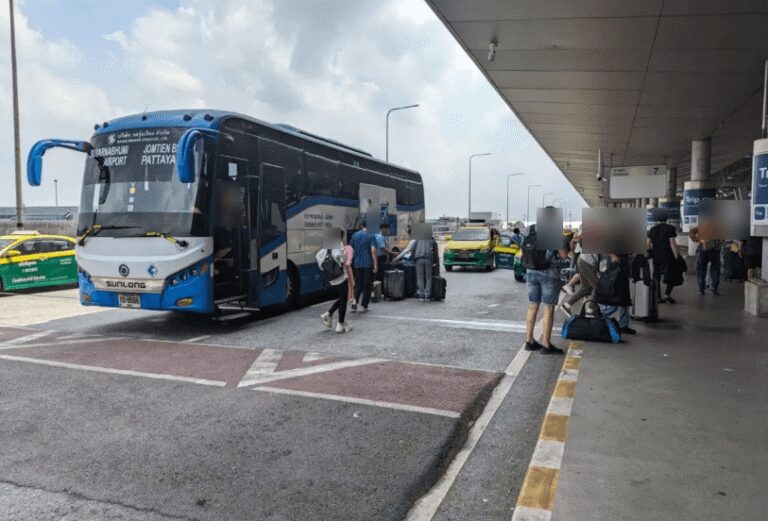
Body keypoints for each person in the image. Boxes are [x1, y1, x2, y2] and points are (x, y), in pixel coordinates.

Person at [524, 235, 570, 354]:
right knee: (548, 308)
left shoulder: (532, 230)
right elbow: (563, 255)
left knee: (532, 306)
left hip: (530, 271)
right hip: (548, 274)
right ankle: (546, 345)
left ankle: (529, 341)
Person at [318, 231, 355, 333]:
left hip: (332, 276)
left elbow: (319, 256)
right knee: (343, 300)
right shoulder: (338, 244)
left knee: (342, 298)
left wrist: (325, 268)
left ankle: (329, 314)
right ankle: (340, 324)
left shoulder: (327, 246)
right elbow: (342, 258)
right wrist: (343, 256)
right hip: (340, 276)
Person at [559, 231, 598, 316]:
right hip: (587, 262)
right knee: (598, 286)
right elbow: (578, 237)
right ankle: (590, 310)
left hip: (583, 260)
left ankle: (567, 305)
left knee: (585, 288)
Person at [394, 233, 439, 300]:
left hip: (419, 258)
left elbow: (410, 249)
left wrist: (398, 258)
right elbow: (435, 251)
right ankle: (428, 295)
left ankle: (421, 296)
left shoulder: (417, 238)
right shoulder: (431, 238)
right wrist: (436, 263)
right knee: (428, 277)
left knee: (420, 277)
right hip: (429, 258)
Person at [599, 254, 636, 335]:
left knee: (625, 298)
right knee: (616, 298)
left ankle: (623, 325)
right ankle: (599, 315)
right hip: (615, 267)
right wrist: (612, 255)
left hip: (624, 266)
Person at [648, 216, 680, 303]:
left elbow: (648, 243)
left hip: (656, 257)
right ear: (667, 219)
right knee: (671, 275)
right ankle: (667, 295)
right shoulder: (670, 228)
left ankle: (657, 297)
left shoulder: (652, 229)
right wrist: (676, 255)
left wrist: (650, 253)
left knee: (656, 277)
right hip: (668, 256)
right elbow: (672, 243)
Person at [350, 221, 378, 313]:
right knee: (367, 285)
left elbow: (352, 250)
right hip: (367, 264)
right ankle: (364, 305)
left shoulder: (355, 235)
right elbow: (373, 250)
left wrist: (350, 261)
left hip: (357, 264)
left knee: (358, 283)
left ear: (362, 226)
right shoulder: (371, 235)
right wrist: (375, 264)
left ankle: (355, 300)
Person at [689, 225, 722, 295]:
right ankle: (714, 287)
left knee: (701, 269)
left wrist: (699, 239)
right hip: (715, 250)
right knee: (715, 269)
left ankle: (701, 289)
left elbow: (694, 234)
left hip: (704, 250)